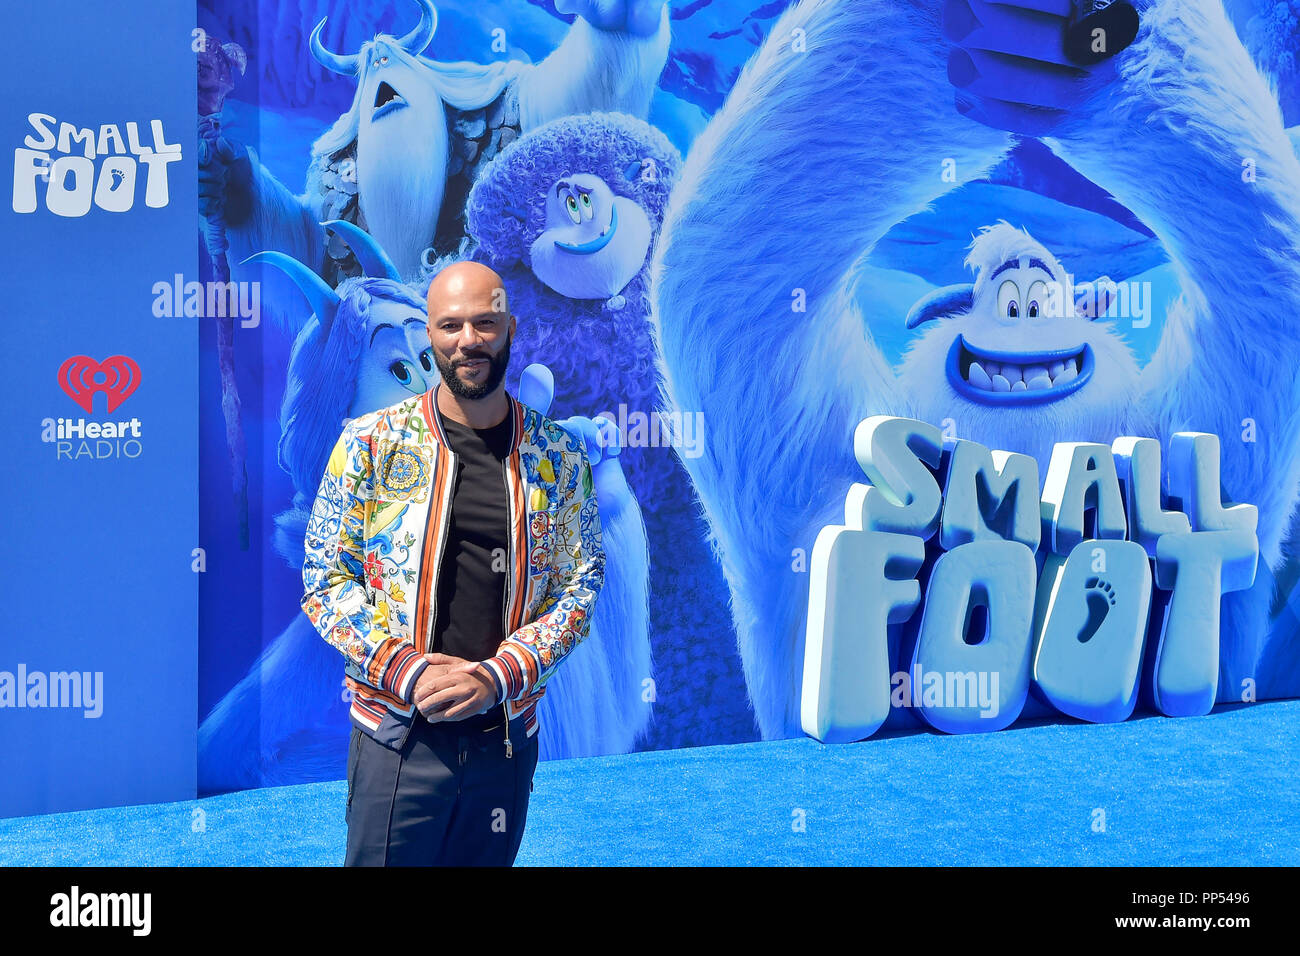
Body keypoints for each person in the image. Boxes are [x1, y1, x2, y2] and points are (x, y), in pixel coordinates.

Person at [300, 260, 606, 866]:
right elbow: (324, 581)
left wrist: (496, 677)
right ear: (431, 336)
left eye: (485, 323)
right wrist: (410, 673)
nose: (469, 340)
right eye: (450, 326)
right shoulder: (370, 442)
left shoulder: (558, 456)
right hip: (399, 737)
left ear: (511, 329)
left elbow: (581, 583)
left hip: (505, 741)